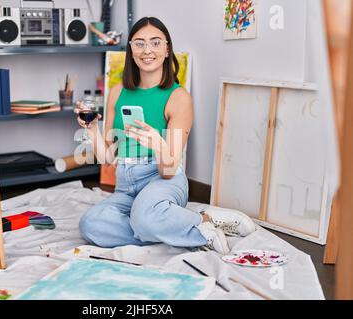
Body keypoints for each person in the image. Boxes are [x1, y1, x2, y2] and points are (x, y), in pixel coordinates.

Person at [74, 17, 255, 254]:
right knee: (91, 224)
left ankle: (201, 227)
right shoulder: (118, 92)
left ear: (167, 49)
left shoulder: (179, 98)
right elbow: (107, 157)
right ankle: (183, 222)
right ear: (130, 49)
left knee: (144, 216)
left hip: (164, 181)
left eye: (155, 43)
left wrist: (159, 146)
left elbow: (168, 170)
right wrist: (91, 129)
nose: (147, 50)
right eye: (139, 43)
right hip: (126, 187)